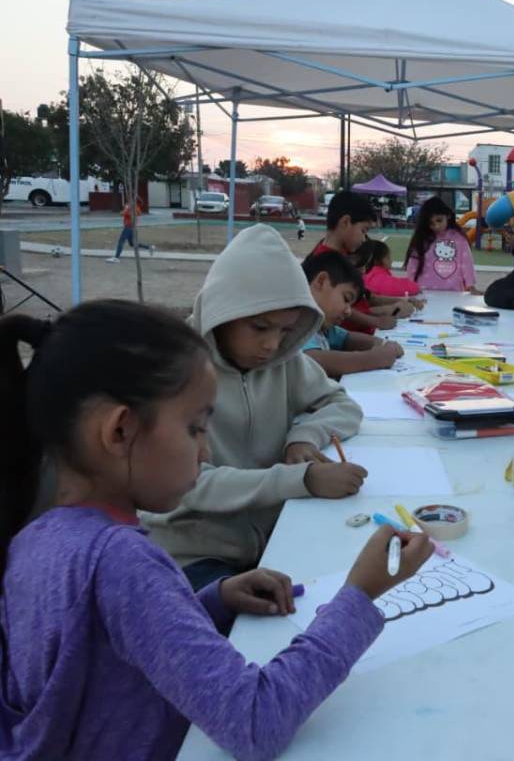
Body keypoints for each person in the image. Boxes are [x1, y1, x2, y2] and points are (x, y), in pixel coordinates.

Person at [0, 299, 434, 759]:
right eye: (195, 429)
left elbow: (99, 652)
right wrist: (360, 596)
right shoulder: (119, 562)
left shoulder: (36, 534)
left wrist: (210, 601)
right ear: (120, 432)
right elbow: (254, 720)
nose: (206, 453)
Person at [142, 225, 367, 590]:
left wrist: (303, 437)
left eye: (285, 330)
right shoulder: (174, 370)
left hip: (270, 539)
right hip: (193, 554)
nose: (271, 344)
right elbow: (185, 482)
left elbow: (342, 404)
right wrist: (301, 479)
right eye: (260, 327)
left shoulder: (284, 361)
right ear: (222, 311)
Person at [307, 190, 415, 334]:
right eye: (363, 230)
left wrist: (399, 301)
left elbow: (365, 297)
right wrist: (379, 319)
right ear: (345, 222)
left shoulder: (347, 254)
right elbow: (343, 310)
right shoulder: (324, 260)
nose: (364, 239)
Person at [302, 252, 404, 378]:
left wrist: (382, 344)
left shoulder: (322, 325)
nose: (348, 311)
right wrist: (374, 359)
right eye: (346, 299)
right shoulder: (299, 320)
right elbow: (313, 360)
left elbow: (347, 338)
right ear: (321, 281)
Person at [403, 197, 479, 293]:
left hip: (453, 293)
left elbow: (467, 263)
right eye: (431, 223)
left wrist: (470, 286)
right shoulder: (422, 239)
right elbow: (413, 264)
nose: (436, 226)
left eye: (439, 220)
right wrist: (411, 285)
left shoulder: (459, 238)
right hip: (424, 291)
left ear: (447, 216)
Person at [355, 239, 421, 297]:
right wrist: (417, 285)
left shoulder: (366, 275)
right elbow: (406, 287)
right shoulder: (378, 278)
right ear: (377, 261)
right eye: (388, 258)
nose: (391, 261)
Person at [106, 197, 154, 263]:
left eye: (131, 200)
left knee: (121, 241)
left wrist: (126, 208)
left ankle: (116, 258)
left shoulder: (132, 208)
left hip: (128, 227)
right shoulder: (137, 208)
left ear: (134, 202)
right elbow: (136, 213)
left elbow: (121, 214)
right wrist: (127, 208)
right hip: (133, 228)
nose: (129, 201)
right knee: (132, 243)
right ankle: (149, 247)